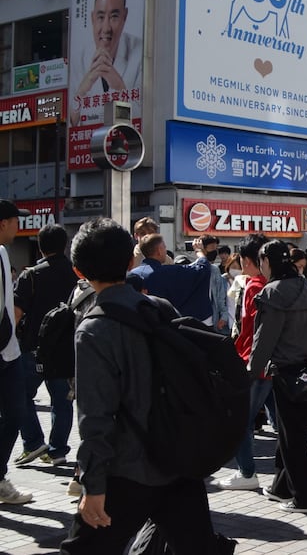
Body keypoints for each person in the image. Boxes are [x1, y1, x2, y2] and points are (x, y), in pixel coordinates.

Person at [61, 218, 228, 553]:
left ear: (79, 272)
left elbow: (95, 415)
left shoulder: (94, 329)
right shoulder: (160, 309)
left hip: (128, 468)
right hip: (178, 458)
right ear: (130, 262)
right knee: (196, 547)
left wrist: (93, 486)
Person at [250, 240, 307, 513]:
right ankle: (282, 487)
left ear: (267, 262)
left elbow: (264, 339)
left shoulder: (272, 292)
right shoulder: (306, 285)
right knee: (293, 432)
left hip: (286, 371)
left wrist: (252, 371)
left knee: (293, 438)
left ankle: (305, 499)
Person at [12, 224, 77, 469]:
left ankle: (32, 442)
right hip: (66, 348)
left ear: (40, 247)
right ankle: (57, 450)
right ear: (65, 245)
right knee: (62, 401)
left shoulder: (31, 275)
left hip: (34, 347)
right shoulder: (76, 274)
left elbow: (17, 313)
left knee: (19, 395)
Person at [215, 234, 272, 492]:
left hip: (253, 361)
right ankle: (293, 469)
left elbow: (249, 329)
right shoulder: (277, 283)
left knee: (241, 420)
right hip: (278, 362)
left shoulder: (253, 286)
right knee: (283, 422)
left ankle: (247, 472)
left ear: (248, 260)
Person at [68, 0, 143, 126]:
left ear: (124, 16)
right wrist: (83, 88)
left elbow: (143, 119)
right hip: (89, 145)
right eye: (101, 17)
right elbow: (71, 124)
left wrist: (119, 87)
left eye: (114, 17)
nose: (106, 28)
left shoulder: (141, 53)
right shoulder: (79, 58)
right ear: (92, 18)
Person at [0, 200, 32, 504]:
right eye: (14, 220)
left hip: (8, 351)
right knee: (13, 413)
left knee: (15, 414)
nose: (17, 225)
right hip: (3, 352)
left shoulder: (3, 253)